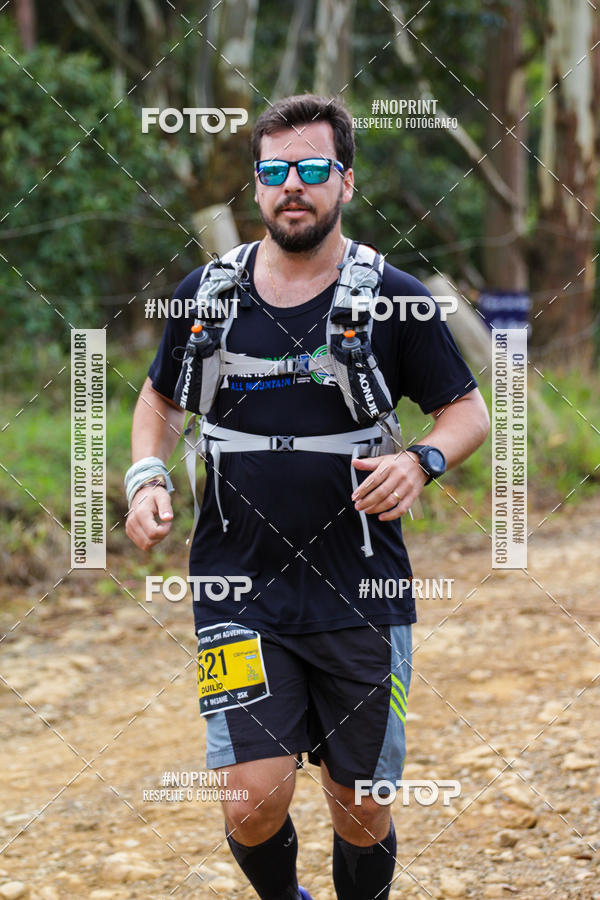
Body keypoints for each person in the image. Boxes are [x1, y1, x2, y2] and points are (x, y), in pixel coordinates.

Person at [125, 94, 489, 900]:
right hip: (235, 586)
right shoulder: (206, 296)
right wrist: (146, 477)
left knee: (359, 806)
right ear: (257, 187)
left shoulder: (390, 295)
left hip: (361, 589)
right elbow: (158, 403)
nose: (294, 185)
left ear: (345, 183)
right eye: (275, 171)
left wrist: (423, 460)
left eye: (313, 169)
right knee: (252, 800)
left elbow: (467, 411)